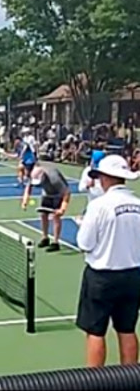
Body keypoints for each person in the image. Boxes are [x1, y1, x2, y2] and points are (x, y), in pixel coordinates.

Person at [75, 154, 140, 368]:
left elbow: (84, 243)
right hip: (133, 275)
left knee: (95, 331)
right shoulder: (138, 204)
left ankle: (95, 382)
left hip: (102, 277)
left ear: (106, 178)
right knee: (127, 329)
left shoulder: (98, 206)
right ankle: (131, 379)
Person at [21, 163, 71, 252]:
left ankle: (56, 243)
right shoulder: (34, 174)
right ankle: (45, 238)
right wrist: (25, 201)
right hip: (46, 194)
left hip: (58, 195)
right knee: (43, 214)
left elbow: (67, 193)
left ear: (43, 176)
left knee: (56, 216)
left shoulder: (54, 179)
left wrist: (62, 209)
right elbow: (28, 188)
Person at [76, 150, 107, 226]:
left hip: (106, 207)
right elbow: (81, 188)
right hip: (92, 206)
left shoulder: (107, 172)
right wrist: (88, 186)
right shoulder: (87, 171)